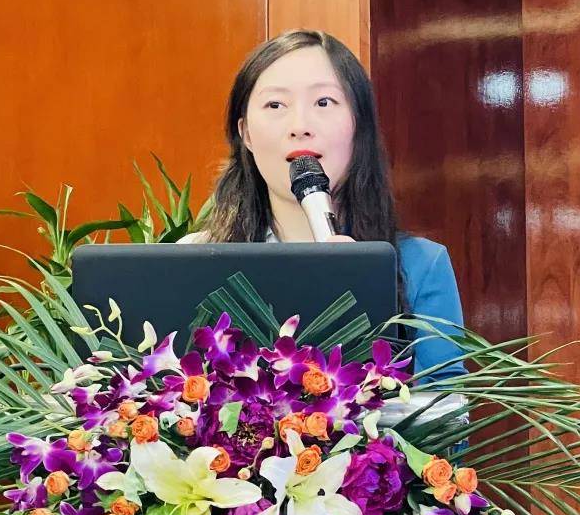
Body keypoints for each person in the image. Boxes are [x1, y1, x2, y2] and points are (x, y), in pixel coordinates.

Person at [179, 29, 466, 382]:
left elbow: (448, 408)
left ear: (358, 124)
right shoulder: (194, 261)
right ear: (246, 133)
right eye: (275, 105)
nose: (300, 126)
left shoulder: (420, 265)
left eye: (324, 102)